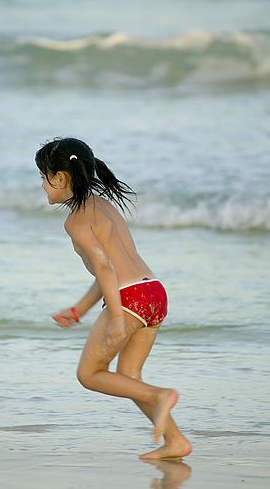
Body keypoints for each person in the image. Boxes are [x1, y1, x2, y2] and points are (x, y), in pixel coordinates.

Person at [35, 137, 192, 460]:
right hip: (152, 291)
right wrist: (79, 310)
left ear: (61, 178)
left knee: (89, 374)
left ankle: (161, 396)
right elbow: (107, 270)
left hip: (128, 300)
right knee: (128, 377)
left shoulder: (75, 221)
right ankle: (176, 441)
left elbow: (106, 269)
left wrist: (117, 319)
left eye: (43, 176)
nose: (42, 185)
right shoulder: (102, 205)